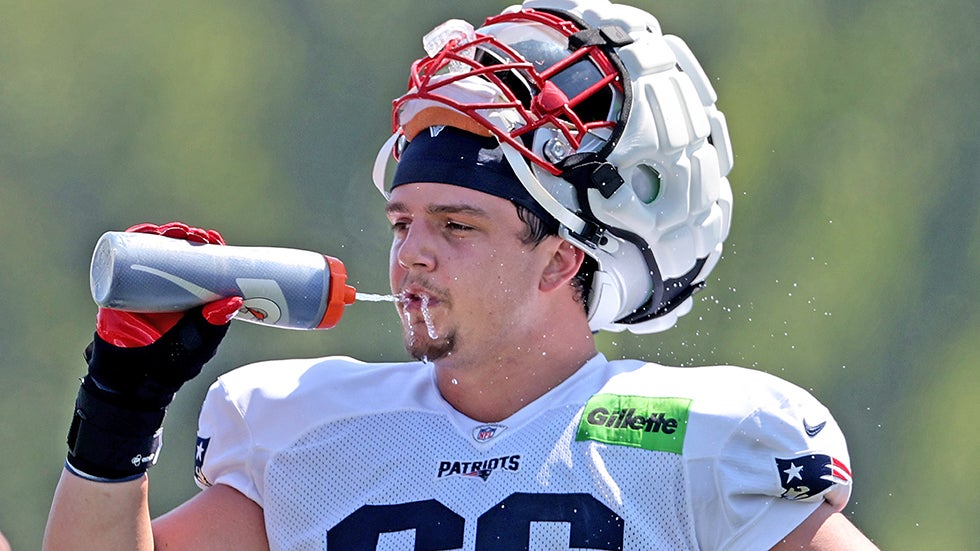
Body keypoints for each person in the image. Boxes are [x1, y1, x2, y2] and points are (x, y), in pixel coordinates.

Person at [44, 0, 879, 549]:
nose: (412, 253)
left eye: (458, 224)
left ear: (562, 255)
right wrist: (122, 403)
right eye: (403, 221)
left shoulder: (699, 442)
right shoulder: (313, 434)